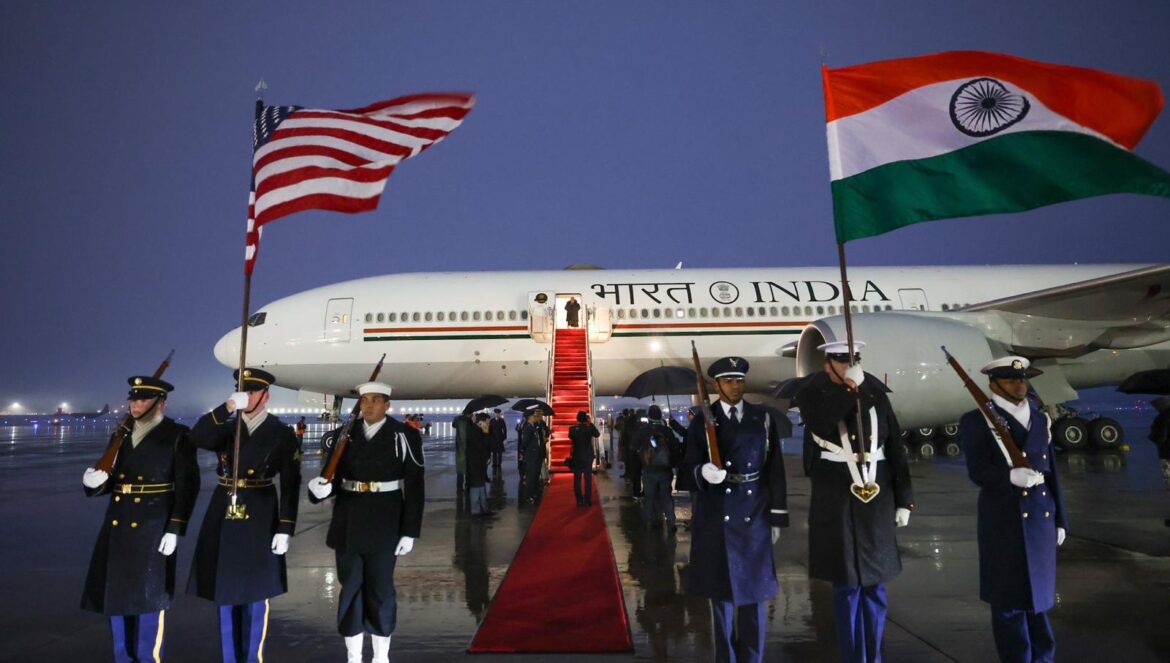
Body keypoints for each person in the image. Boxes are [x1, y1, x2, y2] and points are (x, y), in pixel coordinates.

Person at [795, 341, 913, 663]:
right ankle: (852, 657)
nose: (849, 365)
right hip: (837, 500)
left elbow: (895, 449)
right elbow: (822, 422)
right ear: (827, 364)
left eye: (854, 360)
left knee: (875, 586)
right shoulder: (812, 393)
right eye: (842, 361)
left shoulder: (874, 391)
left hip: (876, 499)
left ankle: (873, 656)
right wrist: (849, 391)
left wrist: (905, 499)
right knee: (846, 587)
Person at [81, 375, 200, 663]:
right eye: (134, 399)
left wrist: (175, 527)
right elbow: (112, 478)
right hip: (118, 525)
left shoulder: (177, 435)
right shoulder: (121, 434)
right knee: (117, 598)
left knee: (148, 598)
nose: (135, 404)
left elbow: (187, 484)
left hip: (153, 526)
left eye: (143, 399)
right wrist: (94, 483)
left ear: (161, 403)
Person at [187, 368, 302, 663]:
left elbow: (291, 483)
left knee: (254, 592)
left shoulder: (281, 433)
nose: (246, 396)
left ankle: (251, 658)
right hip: (224, 508)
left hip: (260, 510)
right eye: (242, 391)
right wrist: (226, 408)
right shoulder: (227, 428)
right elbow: (197, 436)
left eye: (252, 392)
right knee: (224, 592)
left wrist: (285, 527)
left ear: (266, 396)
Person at [307, 382, 425, 663]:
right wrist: (319, 489)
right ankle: (354, 656)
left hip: (386, 522)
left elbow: (415, 486)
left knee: (381, 590)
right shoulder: (344, 436)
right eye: (364, 400)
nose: (369, 406)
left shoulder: (404, 435)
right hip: (348, 520)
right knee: (350, 588)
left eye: (376, 400)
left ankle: (381, 656)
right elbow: (330, 476)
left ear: (387, 405)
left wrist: (409, 531)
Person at [682, 356, 790, 663]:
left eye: (739, 380)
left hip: (754, 512)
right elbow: (685, 469)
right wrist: (702, 471)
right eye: (729, 381)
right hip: (717, 515)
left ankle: (752, 658)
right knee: (722, 599)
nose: (735, 386)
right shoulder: (703, 421)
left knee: (754, 597)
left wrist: (777, 516)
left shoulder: (762, 418)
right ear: (716, 386)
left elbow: (774, 470)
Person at [960, 356, 1068, 663]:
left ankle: (1043, 658)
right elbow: (977, 471)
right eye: (1011, 380)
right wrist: (1008, 476)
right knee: (1009, 604)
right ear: (993, 385)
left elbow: (1050, 472)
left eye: (1023, 379)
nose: (1020, 385)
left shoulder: (1039, 417)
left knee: (1039, 602)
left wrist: (1061, 518)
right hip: (1003, 520)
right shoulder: (976, 420)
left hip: (1040, 519)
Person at [635, 405, 683, 531]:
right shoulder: (666, 431)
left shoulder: (644, 430)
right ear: (660, 416)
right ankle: (671, 522)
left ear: (649, 416)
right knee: (666, 496)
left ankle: (648, 521)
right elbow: (674, 448)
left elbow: (633, 446)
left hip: (649, 468)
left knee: (649, 496)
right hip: (665, 469)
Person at [568, 411, 600, 506]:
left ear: (577, 419)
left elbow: (571, 437)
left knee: (577, 479)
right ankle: (587, 500)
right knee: (588, 479)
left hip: (577, 456)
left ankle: (579, 500)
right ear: (586, 419)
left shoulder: (572, 429)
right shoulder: (589, 428)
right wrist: (590, 423)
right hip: (587, 456)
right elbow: (597, 434)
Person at [468, 413, 493, 516]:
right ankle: (475, 511)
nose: (488, 424)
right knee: (476, 486)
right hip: (475, 463)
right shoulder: (475, 431)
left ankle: (484, 507)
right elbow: (482, 446)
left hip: (480, 462)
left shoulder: (478, 431)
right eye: (487, 422)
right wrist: (486, 434)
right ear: (481, 422)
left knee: (481, 485)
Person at [520, 406, 547, 503]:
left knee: (535, 476)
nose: (535, 417)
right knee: (531, 477)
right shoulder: (528, 428)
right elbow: (525, 442)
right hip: (531, 456)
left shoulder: (533, 427)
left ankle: (535, 493)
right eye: (533, 416)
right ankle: (529, 495)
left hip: (536, 456)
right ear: (530, 417)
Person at [489, 409, 507, 476]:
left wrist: (504, 437)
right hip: (493, 438)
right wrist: (490, 437)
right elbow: (490, 429)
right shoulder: (492, 421)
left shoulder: (502, 421)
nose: (497, 414)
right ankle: (494, 463)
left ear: (500, 414)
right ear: (495, 414)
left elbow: (504, 429)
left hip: (499, 438)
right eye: (496, 413)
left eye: (498, 413)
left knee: (499, 452)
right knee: (494, 452)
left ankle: (499, 463)